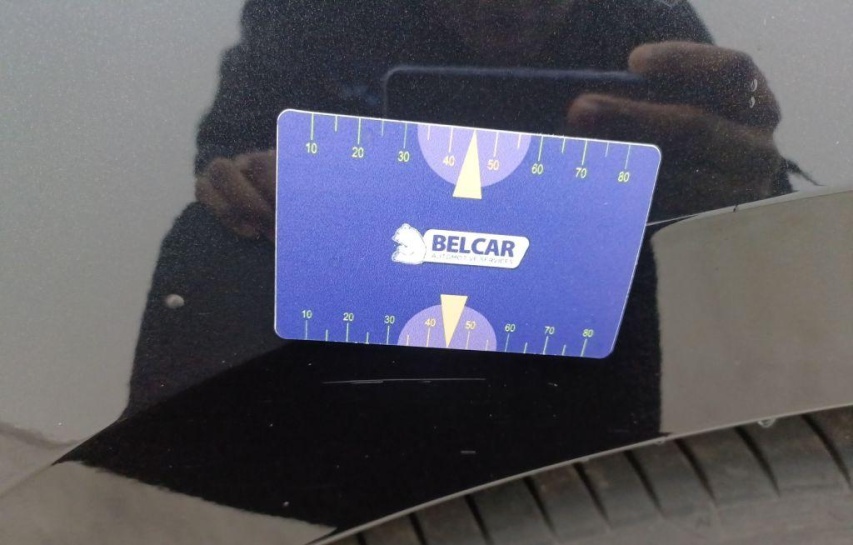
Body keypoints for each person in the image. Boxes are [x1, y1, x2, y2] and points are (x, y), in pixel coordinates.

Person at [127, 0, 787, 414]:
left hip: (571, 335)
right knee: (207, 243)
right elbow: (228, 154)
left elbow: (739, 174)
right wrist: (244, 180)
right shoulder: (306, 14)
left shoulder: (644, 17)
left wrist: (753, 185)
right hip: (380, 332)